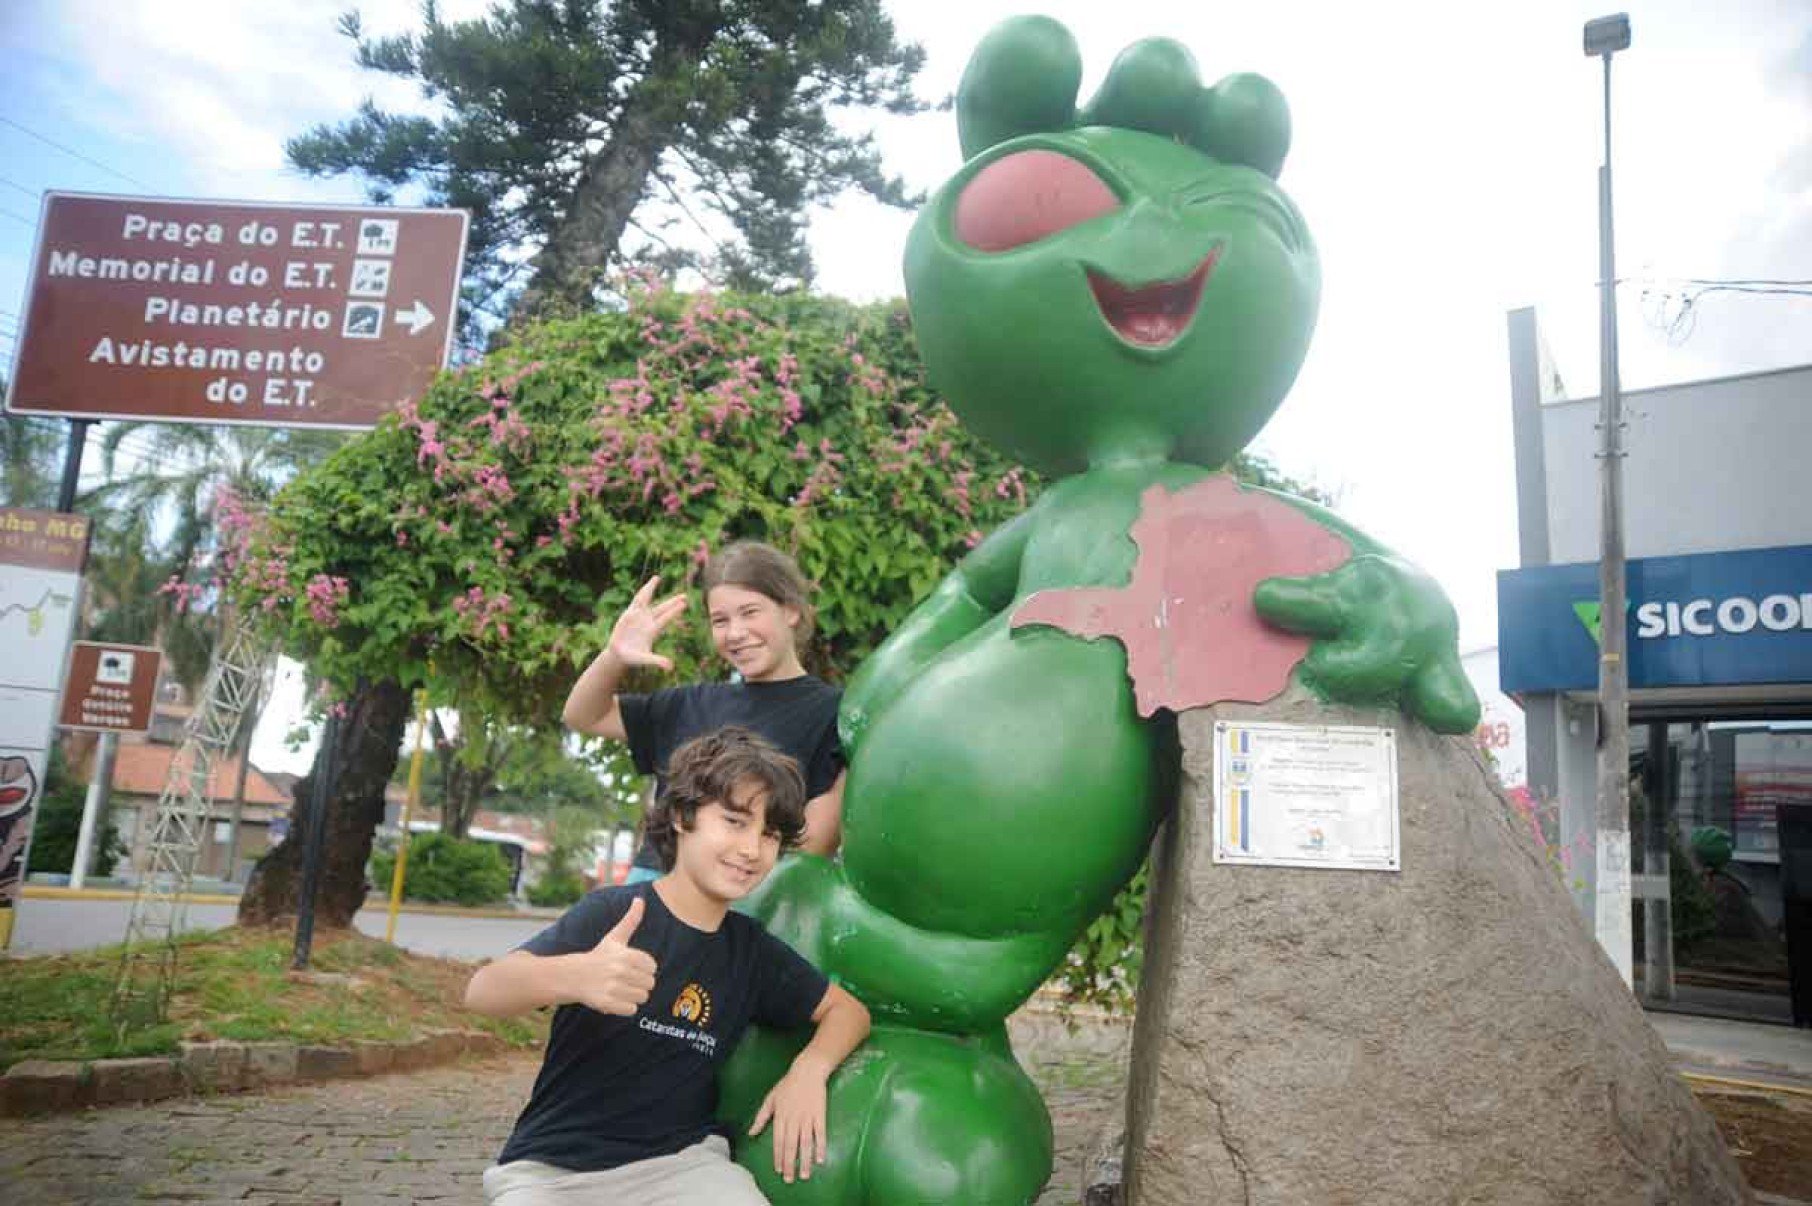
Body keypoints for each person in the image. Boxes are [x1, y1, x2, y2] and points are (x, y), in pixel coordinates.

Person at [467, 727, 871, 1203]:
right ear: (682, 816)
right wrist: (573, 975)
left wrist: (809, 1070)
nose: (751, 849)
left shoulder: (752, 951)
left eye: (769, 834)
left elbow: (848, 1012)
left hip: (681, 1167)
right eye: (735, 821)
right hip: (553, 1172)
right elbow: (482, 992)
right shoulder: (614, 914)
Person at [562, 541, 846, 881]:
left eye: (750, 612)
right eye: (720, 620)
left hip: (747, 896)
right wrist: (613, 657)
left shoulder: (832, 712)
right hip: (653, 888)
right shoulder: (687, 703)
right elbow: (583, 715)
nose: (736, 633)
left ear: (790, 610)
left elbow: (814, 844)